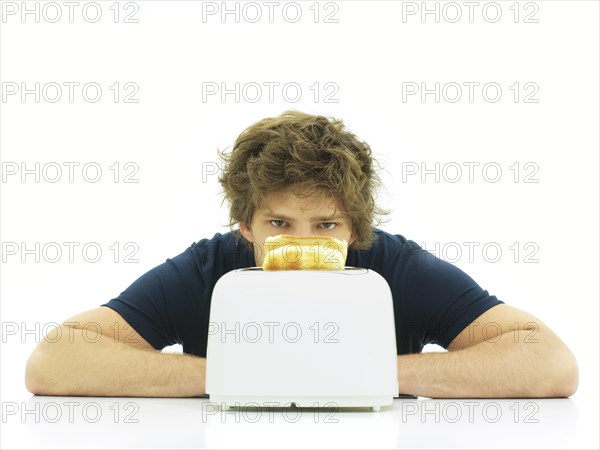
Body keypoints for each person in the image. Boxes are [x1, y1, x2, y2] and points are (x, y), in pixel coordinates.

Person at [25, 111, 578, 398]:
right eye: (280, 223)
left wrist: (359, 373)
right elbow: (53, 362)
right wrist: (241, 374)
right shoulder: (209, 268)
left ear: (357, 227)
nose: (306, 242)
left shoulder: (395, 265)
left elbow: (550, 364)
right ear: (245, 225)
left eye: (327, 225)